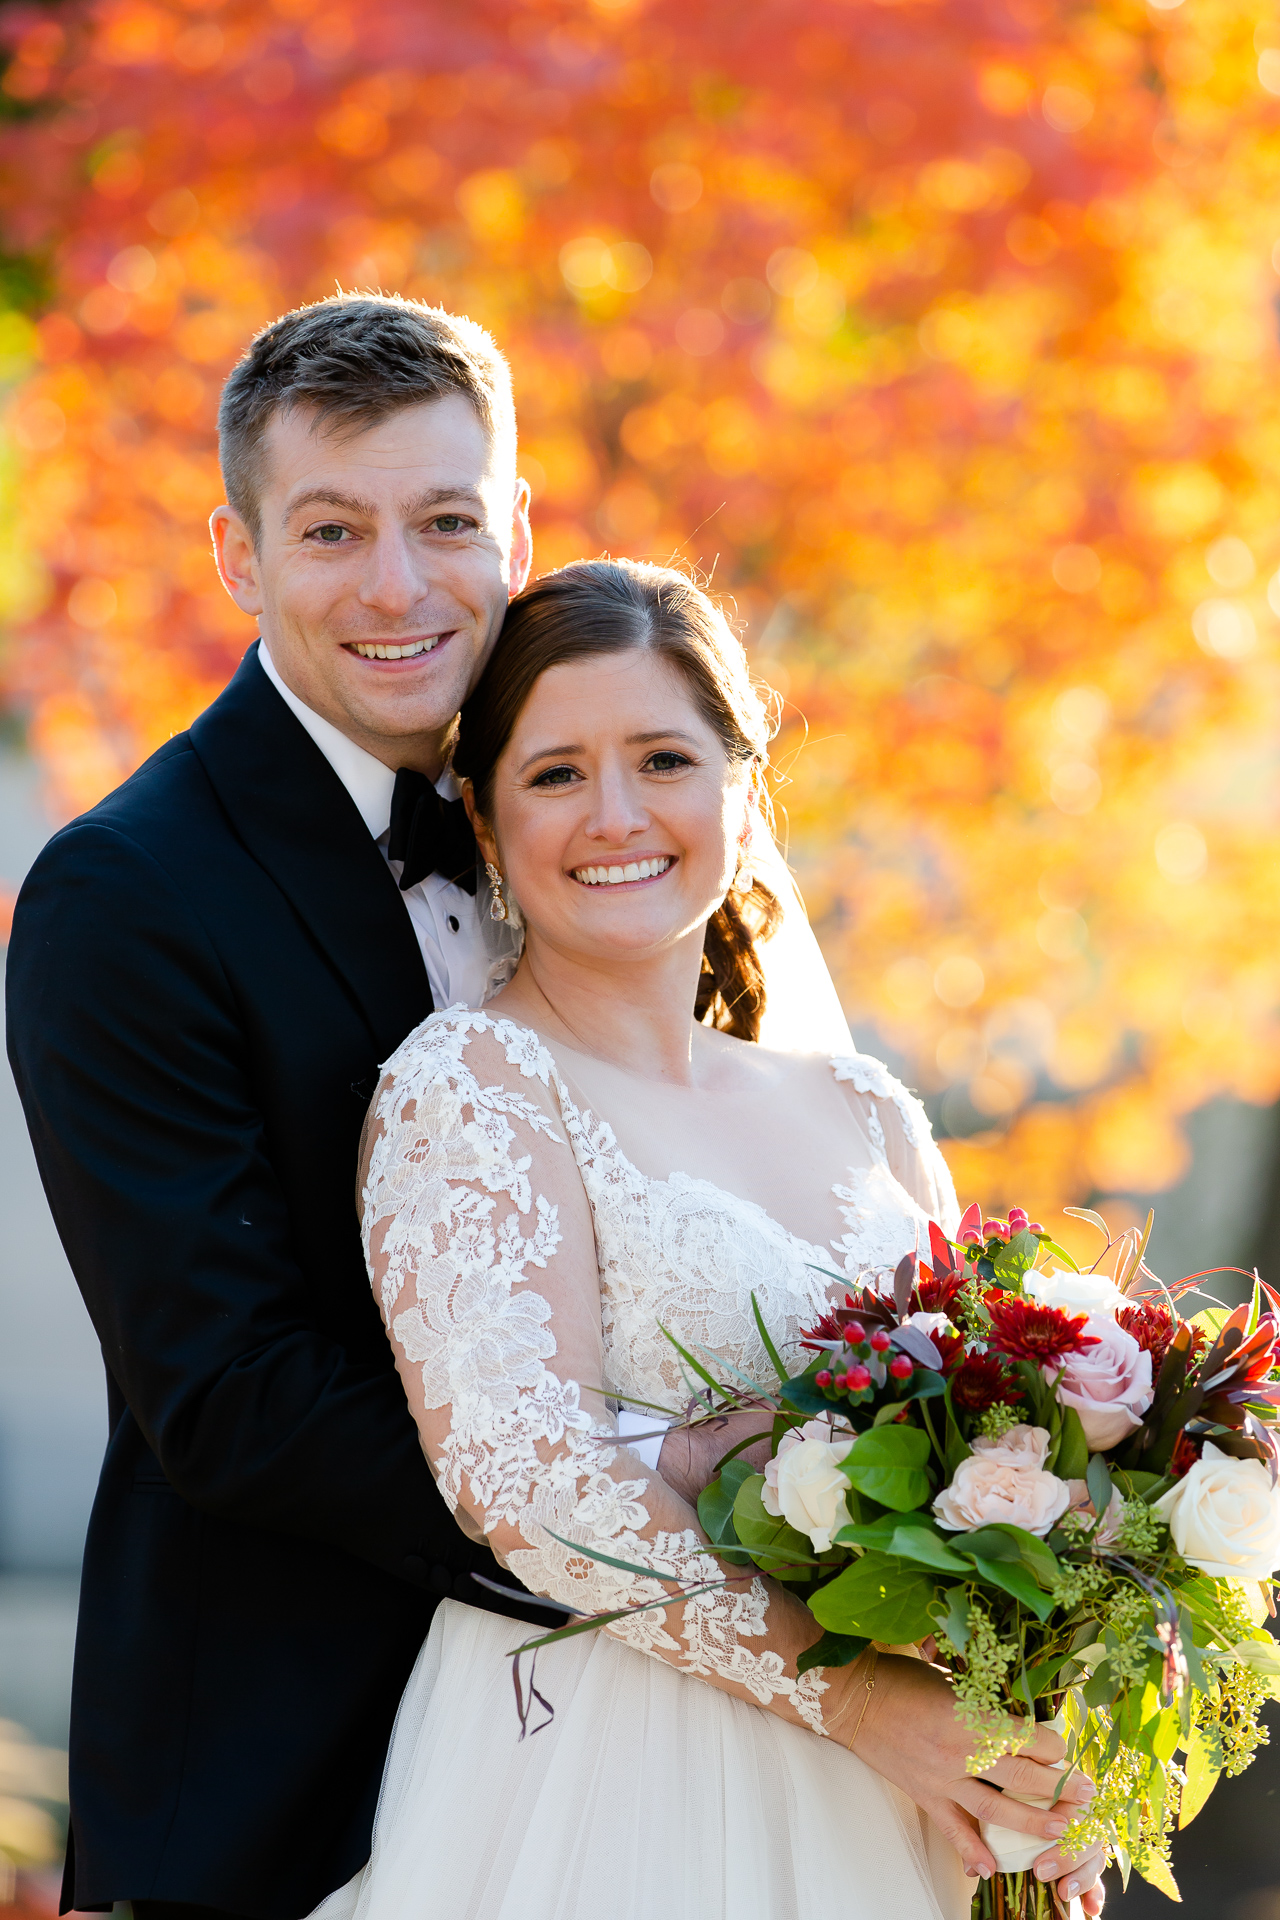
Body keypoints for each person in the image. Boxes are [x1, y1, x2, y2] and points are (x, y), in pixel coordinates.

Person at [1, 291, 845, 1920]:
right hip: (298, 1777)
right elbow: (229, 1395)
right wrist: (677, 1504)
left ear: (516, 525)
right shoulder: (127, 895)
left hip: (685, 1759)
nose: (399, 587)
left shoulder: (602, 818)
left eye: (447, 521)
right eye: (331, 530)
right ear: (240, 556)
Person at [339, 557, 1108, 1919]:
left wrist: (1029, 1735)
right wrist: (854, 1696)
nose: (618, 813)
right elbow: (530, 1482)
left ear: (744, 785)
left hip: (905, 1790)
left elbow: (989, 1451)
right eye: (558, 773)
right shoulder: (471, 1086)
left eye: (663, 758)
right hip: (620, 1771)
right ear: (485, 811)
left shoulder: (863, 1109)